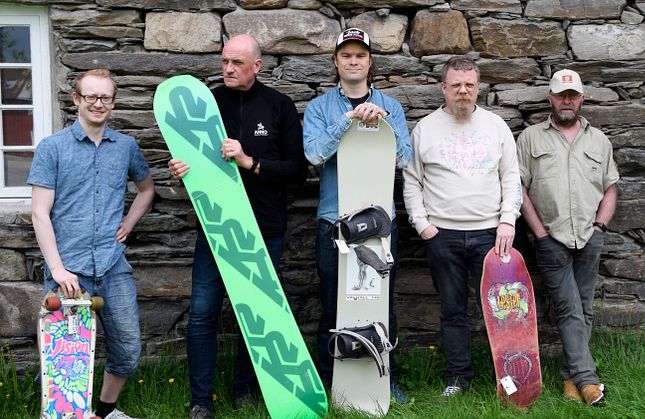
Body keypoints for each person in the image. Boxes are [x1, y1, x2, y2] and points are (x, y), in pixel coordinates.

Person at [167, 34, 308, 419]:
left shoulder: (279, 106)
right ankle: (200, 400)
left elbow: (298, 171)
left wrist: (249, 162)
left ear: (257, 66)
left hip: (265, 228)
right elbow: (189, 160)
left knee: (258, 313)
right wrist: (181, 170)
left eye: (237, 63)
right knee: (202, 312)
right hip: (215, 227)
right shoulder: (205, 103)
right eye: (225, 61)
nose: (228, 69)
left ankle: (245, 390)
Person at [29, 69, 155, 419]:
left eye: (105, 98)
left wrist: (129, 222)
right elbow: (40, 213)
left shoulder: (126, 147)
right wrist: (57, 268)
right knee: (63, 356)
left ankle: (104, 413)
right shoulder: (52, 148)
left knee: (128, 349)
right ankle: (60, 411)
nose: (98, 104)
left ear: (113, 102)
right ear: (76, 100)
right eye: (91, 97)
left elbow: (147, 190)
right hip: (68, 271)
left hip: (113, 267)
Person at [303, 28, 412, 403]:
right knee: (333, 304)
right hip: (334, 221)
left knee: (382, 304)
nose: (353, 61)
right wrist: (348, 120)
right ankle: (329, 382)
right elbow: (314, 155)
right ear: (336, 62)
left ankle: (386, 381)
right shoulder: (320, 108)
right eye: (346, 55)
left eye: (360, 55)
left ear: (370, 63)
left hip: (380, 224)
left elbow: (405, 159)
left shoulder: (391, 107)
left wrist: (379, 125)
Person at [402, 55, 522, 397]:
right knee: (453, 309)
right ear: (443, 87)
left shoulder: (496, 126)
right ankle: (459, 378)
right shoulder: (425, 128)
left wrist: (506, 221)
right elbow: (412, 181)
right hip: (443, 236)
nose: (463, 91)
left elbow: (511, 177)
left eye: (469, 85)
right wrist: (423, 225)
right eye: (456, 85)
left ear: (478, 86)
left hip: (491, 234)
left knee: (503, 311)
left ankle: (508, 376)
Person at [517, 69, 618, 406]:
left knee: (584, 309)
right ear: (550, 98)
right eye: (561, 95)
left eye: (572, 95)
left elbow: (610, 188)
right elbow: (519, 188)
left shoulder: (599, 141)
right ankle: (589, 382)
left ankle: (570, 379)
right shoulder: (531, 138)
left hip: (590, 237)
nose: (567, 100)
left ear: (581, 99)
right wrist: (540, 233)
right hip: (551, 238)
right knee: (568, 307)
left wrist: (600, 227)